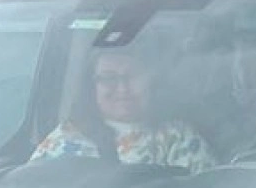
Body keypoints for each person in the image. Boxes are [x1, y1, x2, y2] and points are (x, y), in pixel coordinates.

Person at [32, 48, 215, 172]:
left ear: (150, 81)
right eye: (109, 78)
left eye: (132, 76)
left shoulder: (177, 137)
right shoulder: (65, 137)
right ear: (92, 87)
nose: (122, 89)